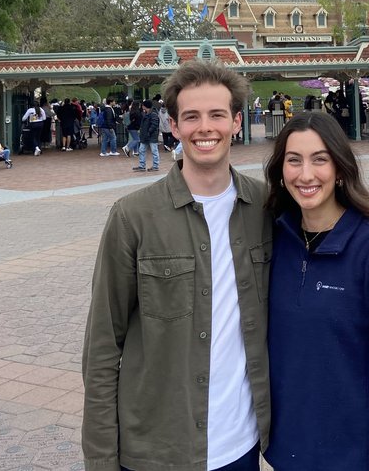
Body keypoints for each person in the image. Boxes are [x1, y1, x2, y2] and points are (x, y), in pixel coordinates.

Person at [82, 59, 271, 471]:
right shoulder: (134, 217)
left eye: (217, 115)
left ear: (236, 122)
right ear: (173, 125)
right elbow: (101, 347)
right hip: (156, 450)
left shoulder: (267, 208)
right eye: (192, 117)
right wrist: (99, 459)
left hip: (240, 446)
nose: (206, 128)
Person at [263, 112, 369, 470]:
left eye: (320, 160)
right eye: (294, 160)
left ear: (339, 169)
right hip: (287, 453)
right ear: (280, 170)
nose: (306, 175)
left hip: (354, 457)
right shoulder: (273, 243)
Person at [133, 99, 161, 172]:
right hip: (147, 135)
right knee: (142, 150)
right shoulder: (149, 113)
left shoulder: (152, 114)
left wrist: (148, 132)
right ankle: (142, 165)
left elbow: (154, 125)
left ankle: (155, 166)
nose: (142, 107)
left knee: (153, 150)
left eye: (143, 105)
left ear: (145, 106)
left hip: (150, 135)